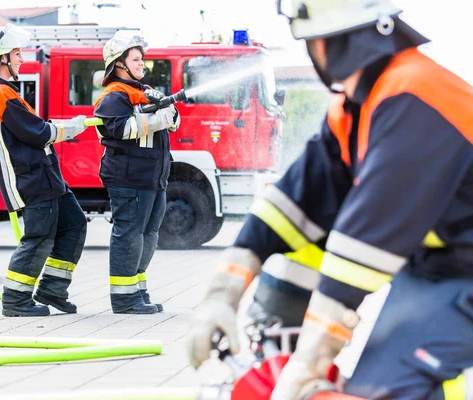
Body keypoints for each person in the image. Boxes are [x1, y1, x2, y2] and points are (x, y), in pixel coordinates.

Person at [186, 0, 473, 398]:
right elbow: (292, 204)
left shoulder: (415, 101)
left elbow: (364, 246)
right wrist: (222, 294)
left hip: (459, 273)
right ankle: (283, 332)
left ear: (324, 43)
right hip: (441, 267)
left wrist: (308, 363)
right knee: (371, 375)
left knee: (385, 388)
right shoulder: (361, 107)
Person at [0, 24, 89, 317]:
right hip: (33, 180)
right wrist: (74, 125)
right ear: (2, 59)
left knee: (74, 225)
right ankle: (15, 299)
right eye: (17, 53)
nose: (21, 59)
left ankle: (52, 289)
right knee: (38, 238)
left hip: (47, 178)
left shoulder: (3, 93)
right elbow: (38, 133)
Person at [93, 30, 180, 314]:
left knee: (148, 235)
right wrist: (158, 119)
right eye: (136, 58)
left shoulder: (143, 91)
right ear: (119, 63)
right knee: (129, 234)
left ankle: (137, 292)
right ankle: (124, 299)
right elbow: (117, 128)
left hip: (152, 177)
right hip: (129, 177)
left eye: (142, 58)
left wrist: (170, 114)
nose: (142, 63)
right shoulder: (113, 96)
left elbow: (171, 121)